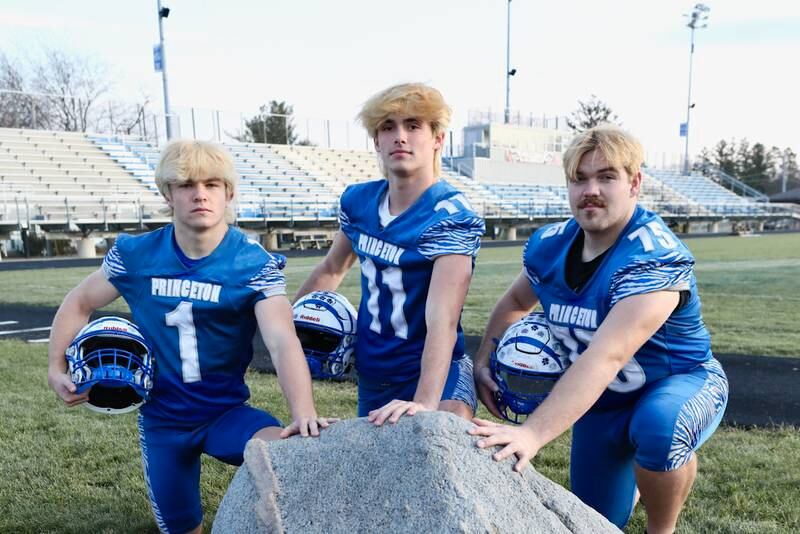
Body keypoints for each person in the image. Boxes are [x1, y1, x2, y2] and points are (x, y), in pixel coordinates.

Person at [47, 139, 334, 534]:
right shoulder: (137, 255)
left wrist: (303, 412)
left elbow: (282, 340)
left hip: (225, 413)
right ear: (168, 193)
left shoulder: (252, 263)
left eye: (212, 184)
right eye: (186, 185)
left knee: (285, 453)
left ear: (229, 192)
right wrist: (54, 366)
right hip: (162, 420)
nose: (200, 194)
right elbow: (79, 301)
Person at [470, 124, 728, 533]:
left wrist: (534, 433)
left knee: (660, 429)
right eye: (580, 179)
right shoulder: (550, 244)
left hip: (680, 381)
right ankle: (637, 479)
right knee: (600, 522)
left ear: (634, 183)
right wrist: (483, 359)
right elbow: (515, 303)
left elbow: (609, 354)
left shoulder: (653, 254)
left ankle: (662, 528)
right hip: (602, 401)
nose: (591, 189)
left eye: (606, 177)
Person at [295, 82, 485, 425]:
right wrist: (290, 326)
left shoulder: (450, 215)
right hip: (374, 369)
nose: (400, 136)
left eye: (413, 126)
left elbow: (442, 319)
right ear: (376, 141)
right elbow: (332, 269)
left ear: (437, 139)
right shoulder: (360, 202)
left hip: (432, 371)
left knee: (441, 435)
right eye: (388, 127)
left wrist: (425, 402)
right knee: (376, 470)